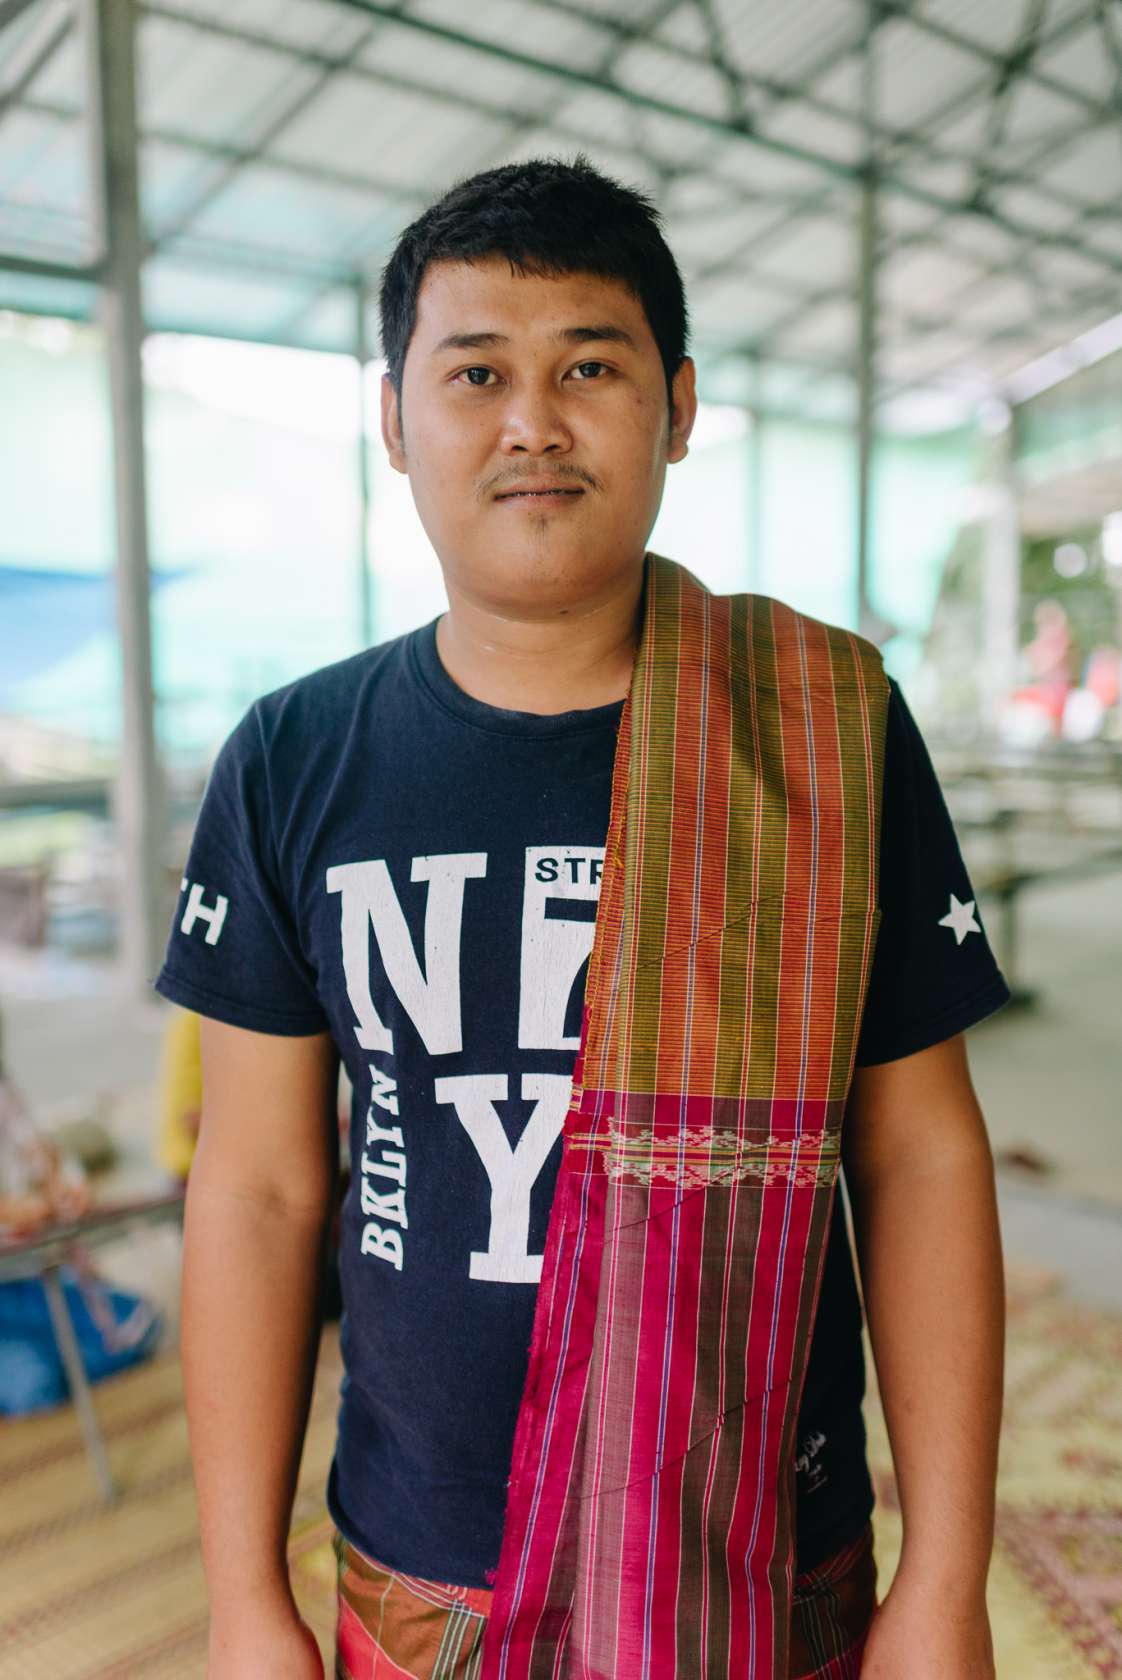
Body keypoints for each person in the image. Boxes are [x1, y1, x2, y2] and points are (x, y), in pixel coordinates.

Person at [155, 154, 1009, 1680]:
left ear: (675, 407)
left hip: (763, 1555)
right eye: (474, 372)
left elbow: (917, 1155)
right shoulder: (295, 756)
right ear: (394, 421)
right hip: (420, 1575)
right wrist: (239, 1600)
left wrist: (944, 1583)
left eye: (590, 367)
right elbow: (260, 1190)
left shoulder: (818, 734)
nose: (532, 423)